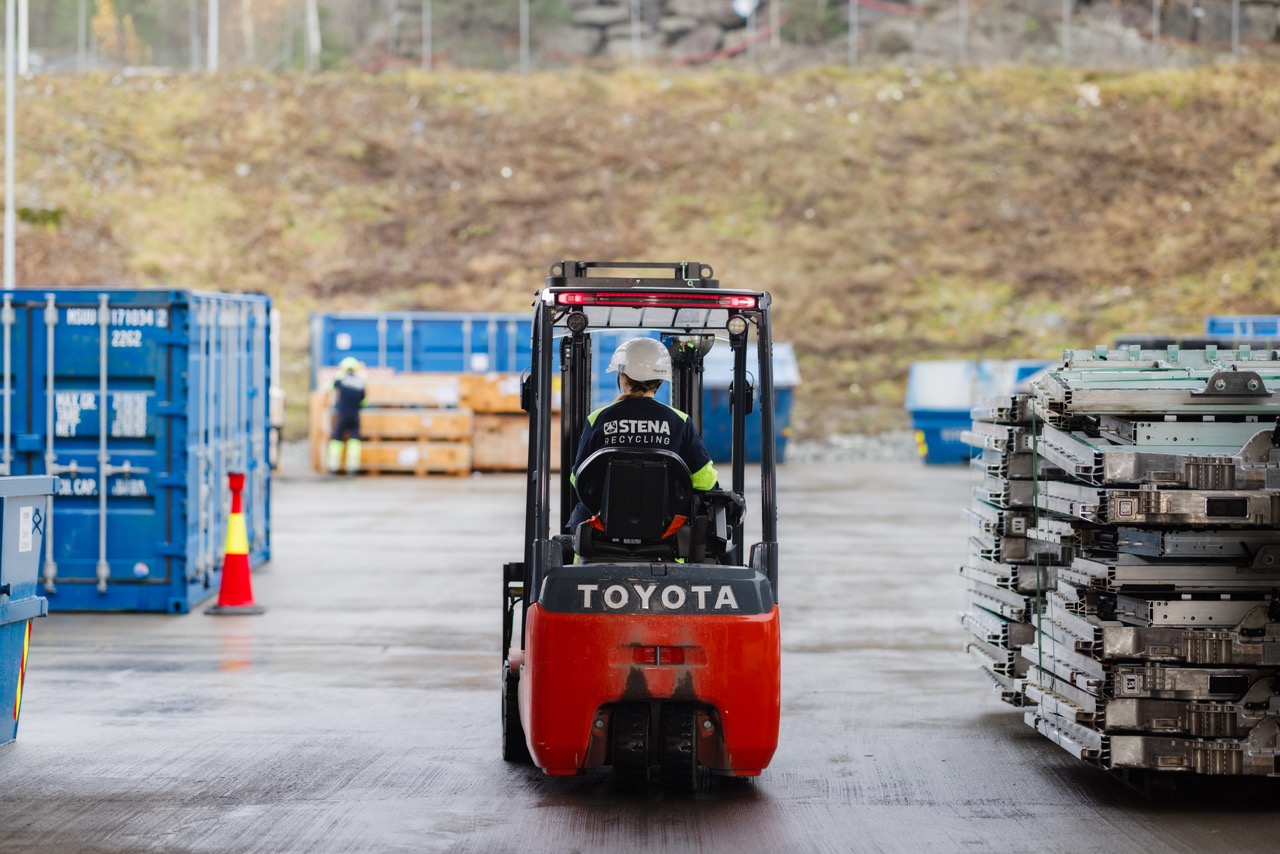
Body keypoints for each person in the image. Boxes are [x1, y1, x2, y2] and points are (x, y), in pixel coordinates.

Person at [567, 337, 718, 534]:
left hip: (603, 533)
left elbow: (577, 478)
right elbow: (705, 481)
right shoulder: (679, 421)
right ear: (661, 380)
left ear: (622, 376)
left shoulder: (598, 419)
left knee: (579, 516)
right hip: (664, 535)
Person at [326, 357, 366, 475]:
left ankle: (333, 466)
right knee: (354, 440)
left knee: (337, 439)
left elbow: (329, 388)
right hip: (355, 415)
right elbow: (364, 401)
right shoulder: (360, 382)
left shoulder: (341, 380)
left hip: (342, 414)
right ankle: (352, 468)